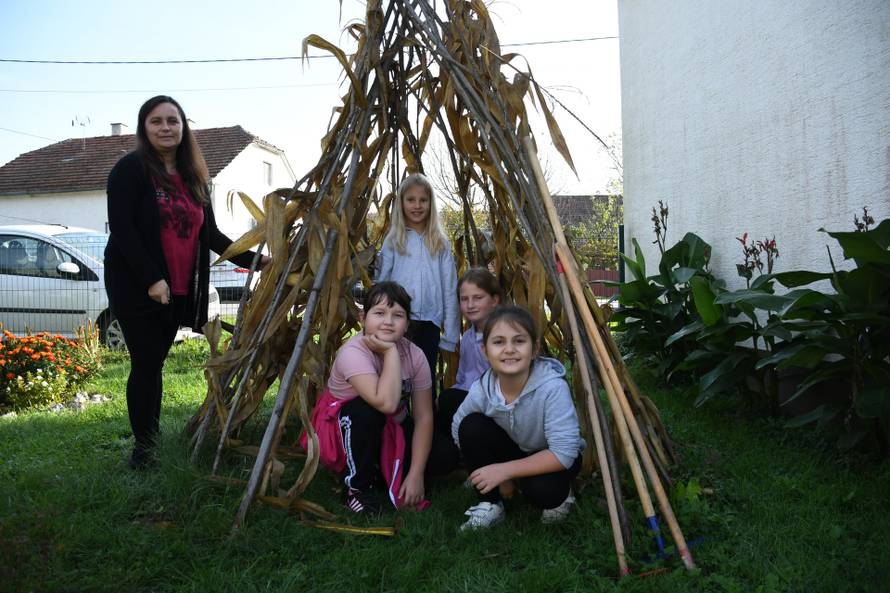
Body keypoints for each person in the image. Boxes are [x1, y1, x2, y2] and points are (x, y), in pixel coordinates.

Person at [104, 95, 267, 469]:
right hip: (137, 285)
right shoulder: (130, 170)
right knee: (146, 363)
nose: (165, 128)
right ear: (144, 128)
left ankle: (151, 441)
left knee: (156, 362)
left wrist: (257, 260)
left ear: (183, 127)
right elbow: (124, 230)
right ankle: (143, 454)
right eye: (156, 121)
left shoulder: (194, 176)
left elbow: (211, 236)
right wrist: (151, 279)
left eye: (172, 121)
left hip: (177, 287)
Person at [302, 281, 456, 513]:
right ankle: (358, 487)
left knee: (445, 457)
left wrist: (416, 474)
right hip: (342, 431)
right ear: (363, 318)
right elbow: (386, 403)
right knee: (366, 411)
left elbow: (424, 416)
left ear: (407, 324)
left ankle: (381, 469)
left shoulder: (415, 356)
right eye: (379, 313)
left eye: (398, 315)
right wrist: (390, 352)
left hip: (391, 424)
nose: (388, 321)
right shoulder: (352, 353)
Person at [451, 306, 585, 530]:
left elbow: (564, 452)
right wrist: (497, 473)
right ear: (485, 351)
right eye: (499, 342)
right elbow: (458, 427)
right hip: (515, 448)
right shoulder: (483, 388)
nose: (509, 349)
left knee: (545, 491)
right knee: (471, 425)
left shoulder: (552, 388)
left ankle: (564, 493)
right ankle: (491, 503)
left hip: (553, 458)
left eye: (519, 341)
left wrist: (505, 471)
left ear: (535, 349)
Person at [375, 173, 460, 399]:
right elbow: (381, 283)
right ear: (401, 203)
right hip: (398, 323)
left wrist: (450, 335)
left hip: (429, 324)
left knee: (425, 384)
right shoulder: (394, 240)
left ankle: (426, 430)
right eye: (410, 199)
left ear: (431, 204)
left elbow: (450, 290)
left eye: (423, 200)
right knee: (395, 382)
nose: (417, 205)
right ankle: (400, 430)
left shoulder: (440, 243)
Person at [436, 267, 503, 435]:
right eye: (464, 299)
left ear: (494, 300)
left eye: (478, 298)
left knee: (448, 399)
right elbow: (463, 378)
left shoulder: (503, 336)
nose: (470, 305)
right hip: (467, 400)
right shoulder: (467, 338)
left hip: (493, 406)